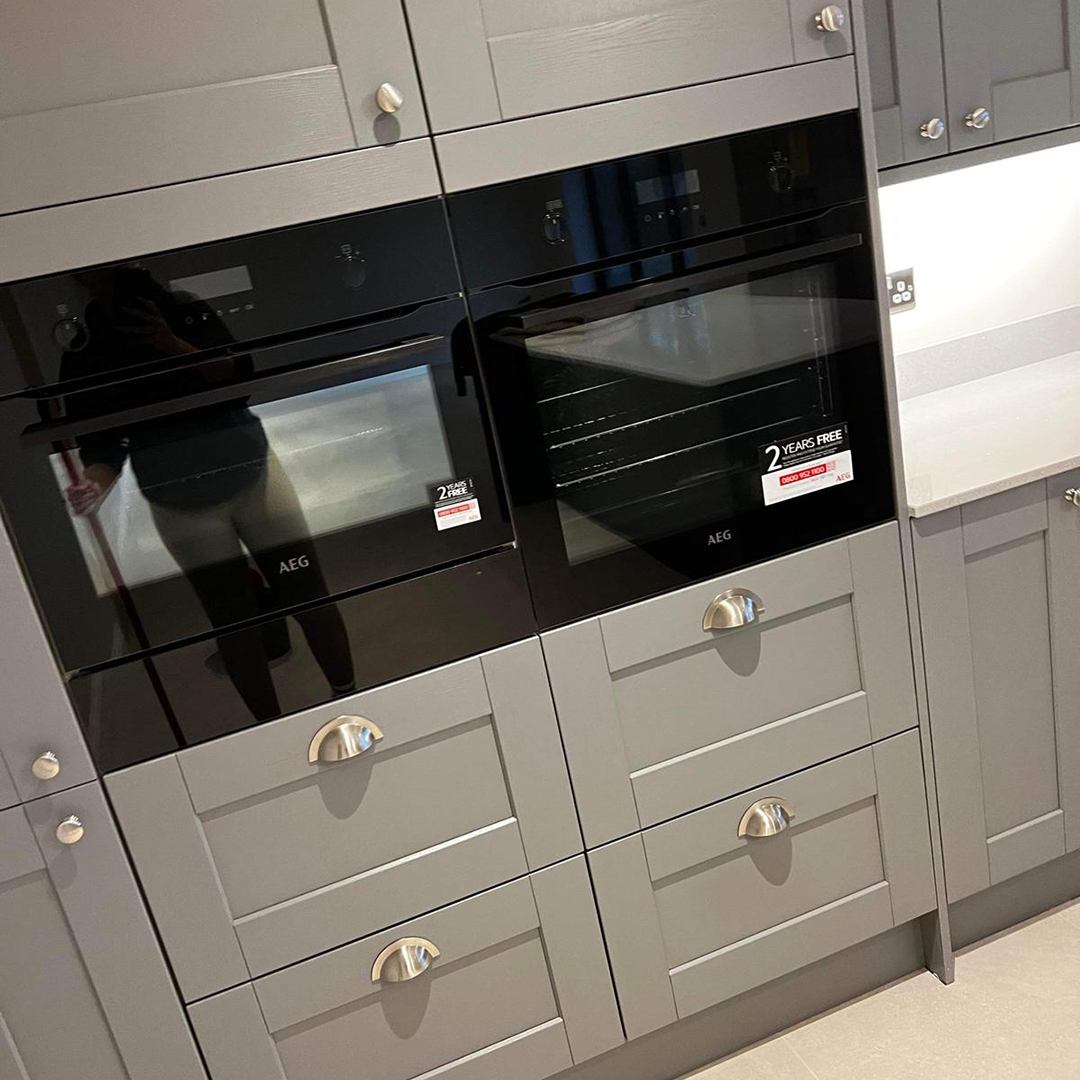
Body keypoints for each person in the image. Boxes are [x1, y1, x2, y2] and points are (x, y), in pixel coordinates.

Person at [63, 267, 355, 720]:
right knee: (235, 620)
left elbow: (239, 379)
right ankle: (274, 727)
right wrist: (93, 486)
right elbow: (101, 442)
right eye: (98, 279)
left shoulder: (181, 311)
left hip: (244, 474)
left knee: (305, 595)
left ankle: (347, 696)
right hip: (184, 496)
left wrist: (172, 344)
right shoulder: (86, 349)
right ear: (84, 283)